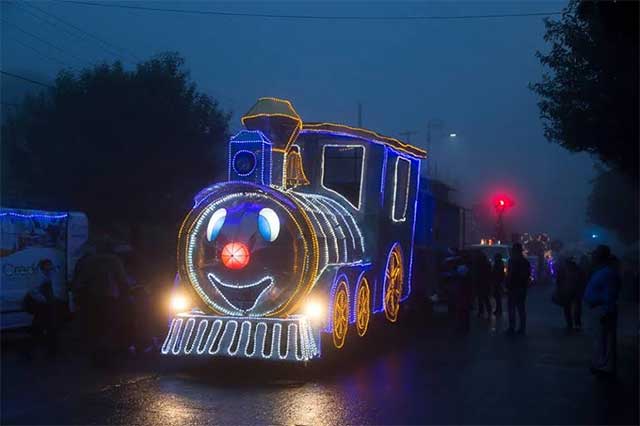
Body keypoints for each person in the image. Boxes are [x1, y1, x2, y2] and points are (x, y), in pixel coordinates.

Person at [583, 245, 620, 377]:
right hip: (598, 309)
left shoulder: (608, 273)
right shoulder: (602, 271)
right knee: (600, 339)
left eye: (595, 254)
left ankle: (605, 367)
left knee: (604, 340)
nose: (592, 256)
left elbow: (610, 295)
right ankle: (600, 364)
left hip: (602, 310)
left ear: (600, 256)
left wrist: (607, 312)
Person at [23, 259, 59, 359]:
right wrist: (44, 299)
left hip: (46, 305)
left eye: (51, 265)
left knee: (43, 326)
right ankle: (48, 350)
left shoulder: (47, 274)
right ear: (44, 266)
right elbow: (33, 290)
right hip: (43, 306)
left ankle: (48, 349)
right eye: (49, 265)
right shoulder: (40, 276)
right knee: (45, 326)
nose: (51, 267)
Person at [506, 243, 530, 335]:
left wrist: (509, 282)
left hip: (516, 287)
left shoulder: (514, 261)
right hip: (519, 288)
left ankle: (514, 327)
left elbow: (510, 274)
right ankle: (520, 328)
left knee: (514, 308)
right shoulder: (523, 262)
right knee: (520, 309)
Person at [473, 251, 492, 318]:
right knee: (484, 299)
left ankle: (482, 312)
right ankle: (487, 312)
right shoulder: (487, 264)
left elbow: (477, 274)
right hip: (485, 283)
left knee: (481, 299)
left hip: (481, 283)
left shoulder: (479, 265)